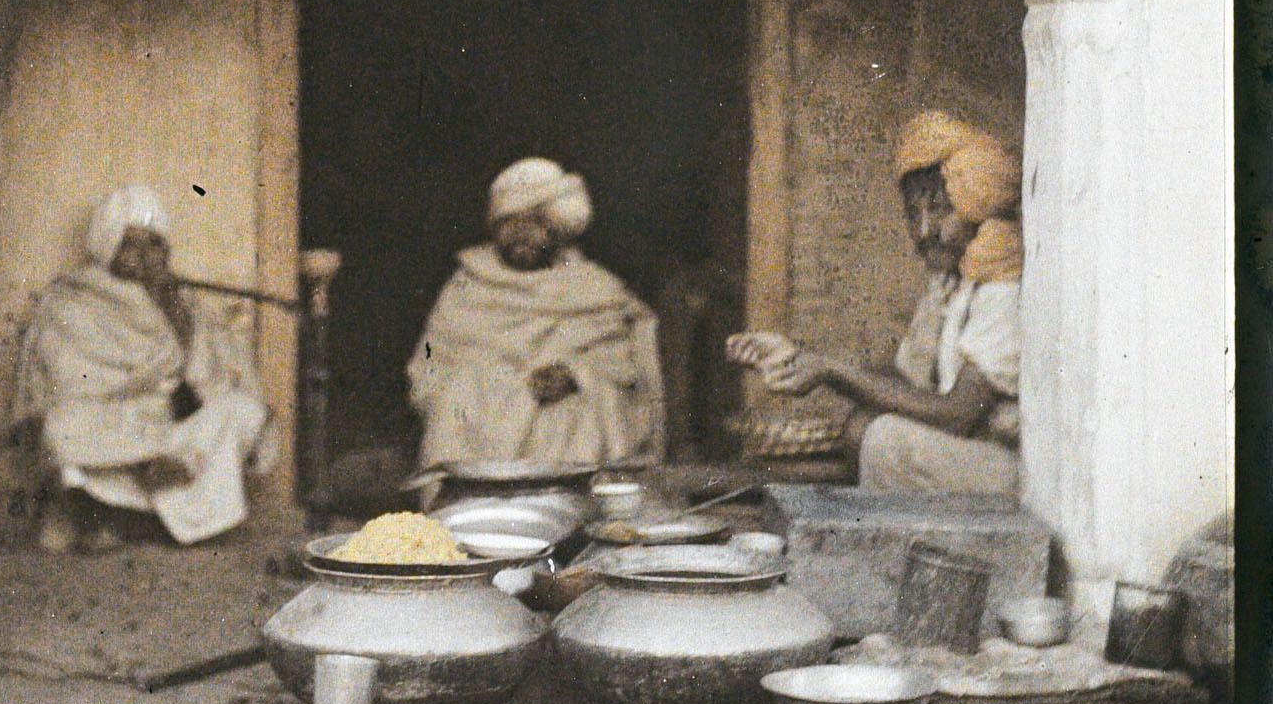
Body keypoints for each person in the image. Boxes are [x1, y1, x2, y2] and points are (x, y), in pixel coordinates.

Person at [728, 110, 1023, 494]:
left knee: (885, 440)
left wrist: (830, 371)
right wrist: (800, 358)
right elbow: (904, 380)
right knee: (863, 423)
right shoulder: (951, 285)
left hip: (1009, 470)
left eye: (940, 208)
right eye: (913, 213)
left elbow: (959, 414)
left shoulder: (1002, 288)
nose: (923, 231)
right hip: (970, 457)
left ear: (976, 202)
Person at [14, 186, 275, 550]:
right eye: (130, 244)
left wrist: (173, 310)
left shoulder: (181, 300)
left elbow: (203, 382)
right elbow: (68, 387)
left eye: (154, 244)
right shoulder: (71, 302)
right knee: (60, 427)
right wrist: (141, 457)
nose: (144, 256)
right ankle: (127, 508)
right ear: (107, 247)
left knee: (243, 410)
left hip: (172, 433)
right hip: (115, 435)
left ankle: (136, 522)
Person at [408, 158, 665, 474]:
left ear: (559, 228)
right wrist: (491, 383)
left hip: (566, 429)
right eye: (508, 222)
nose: (521, 233)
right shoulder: (465, 286)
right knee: (460, 396)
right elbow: (430, 367)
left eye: (535, 222)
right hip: (479, 428)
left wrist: (575, 375)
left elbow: (624, 369)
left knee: (579, 408)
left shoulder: (595, 287)